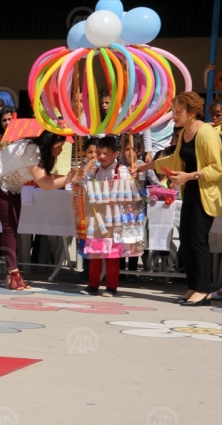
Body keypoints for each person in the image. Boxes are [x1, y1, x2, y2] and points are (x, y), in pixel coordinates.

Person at [135, 92, 222, 306]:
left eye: (178, 112)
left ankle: (203, 290)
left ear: (192, 112)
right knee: (186, 238)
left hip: (204, 193)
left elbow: (217, 168)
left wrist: (190, 176)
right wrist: (146, 165)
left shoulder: (207, 133)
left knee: (197, 240)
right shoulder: (184, 133)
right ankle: (193, 287)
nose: (174, 116)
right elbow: (176, 158)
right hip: (190, 191)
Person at [0, 131, 77, 289]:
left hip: (13, 185)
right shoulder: (32, 150)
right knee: (9, 226)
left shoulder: (39, 152)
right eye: (59, 146)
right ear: (50, 144)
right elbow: (45, 184)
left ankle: (13, 270)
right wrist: (70, 178)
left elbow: (47, 179)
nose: (61, 150)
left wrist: (69, 177)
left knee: (13, 227)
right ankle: (12, 273)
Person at [79, 136, 126, 296]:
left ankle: (111, 287)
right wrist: (86, 174)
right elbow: (85, 187)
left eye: (105, 153)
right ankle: (93, 284)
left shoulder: (122, 170)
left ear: (115, 154)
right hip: (97, 217)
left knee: (113, 254)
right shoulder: (96, 170)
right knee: (95, 252)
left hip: (115, 218)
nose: (101, 157)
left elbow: (128, 190)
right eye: (99, 153)